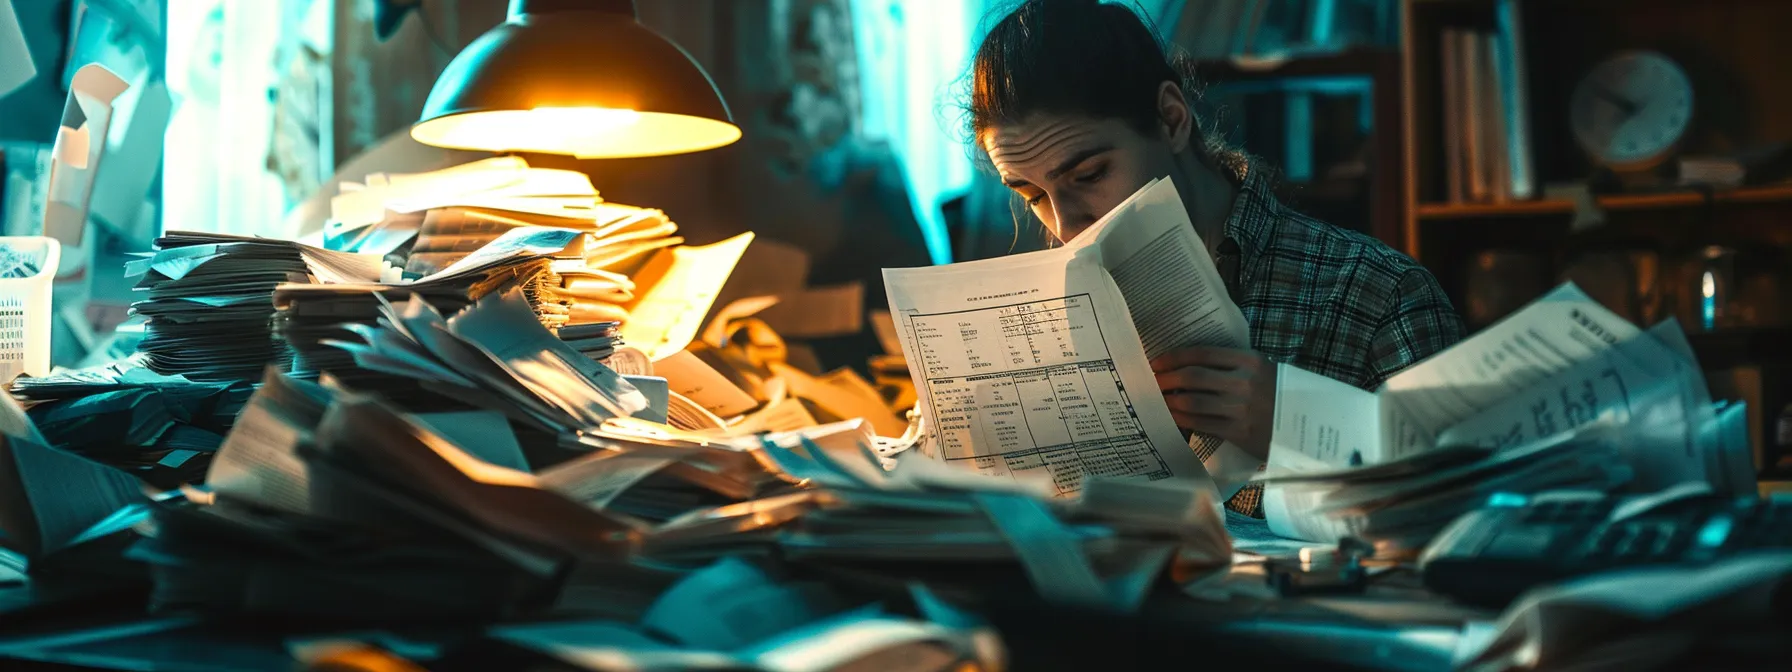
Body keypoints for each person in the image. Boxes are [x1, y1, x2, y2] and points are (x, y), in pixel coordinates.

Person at [964, 0, 1465, 516]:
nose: (1068, 229)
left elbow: (1463, 514)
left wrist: (1297, 422)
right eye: (1033, 196)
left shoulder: (1381, 294)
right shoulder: (1047, 313)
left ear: (1171, 119)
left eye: (1089, 175)